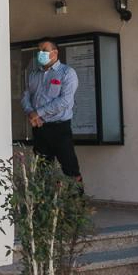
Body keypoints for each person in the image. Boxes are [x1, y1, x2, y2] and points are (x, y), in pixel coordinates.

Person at [21, 40, 82, 181]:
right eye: (39, 50)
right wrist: (31, 113)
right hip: (39, 127)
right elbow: (25, 96)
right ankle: (44, 195)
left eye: (44, 50)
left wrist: (38, 113)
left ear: (55, 53)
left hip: (59, 128)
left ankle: (78, 196)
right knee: (41, 171)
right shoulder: (34, 74)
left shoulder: (67, 73)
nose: (40, 53)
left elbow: (65, 101)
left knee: (70, 169)